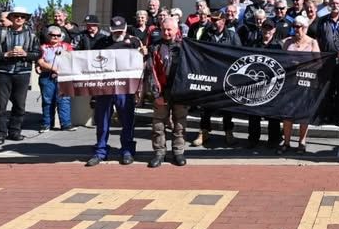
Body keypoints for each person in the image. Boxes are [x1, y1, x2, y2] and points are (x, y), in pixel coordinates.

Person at [86, 17, 143, 166]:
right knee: (102, 120)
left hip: (125, 88)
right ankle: (100, 151)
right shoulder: (102, 42)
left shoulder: (135, 42)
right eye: (115, 31)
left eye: (121, 31)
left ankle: (127, 150)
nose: (118, 33)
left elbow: (142, 62)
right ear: (110, 29)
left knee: (127, 120)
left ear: (125, 29)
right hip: (105, 87)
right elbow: (92, 61)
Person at [0, 6, 41, 146]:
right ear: (11, 18)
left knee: (19, 105)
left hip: (22, 72)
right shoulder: (0, 33)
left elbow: (38, 53)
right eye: (16, 16)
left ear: (26, 19)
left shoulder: (32, 35)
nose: (19, 18)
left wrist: (26, 54)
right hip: (3, 72)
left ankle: (15, 131)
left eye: (22, 16)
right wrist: (5, 54)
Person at [145, 17, 187, 168]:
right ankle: (159, 152)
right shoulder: (154, 47)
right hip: (161, 91)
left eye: (170, 29)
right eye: (164, 29)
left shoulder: (185, 47)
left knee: (180, 124)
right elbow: (150, 72)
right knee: (158, 125)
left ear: (177, 30)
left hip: (180, 92)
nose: (167, 32)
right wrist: (156, 95)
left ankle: (178, 152)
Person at [196, 10, 241, 146]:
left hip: (226, 76)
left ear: (223, 21)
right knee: (206, 106)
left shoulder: (232, 36)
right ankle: (204, 131)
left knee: (227, 107)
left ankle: (228, 131)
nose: (214, 22)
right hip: (210, 75)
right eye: (213, 20)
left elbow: (239, 55)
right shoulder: (206, 34)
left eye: (216, 20)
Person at [278, 15, 321, 154]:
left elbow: (319, 63)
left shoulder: (313, 43)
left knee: (304, 113)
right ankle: (286, 141)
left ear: (305, 28)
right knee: (287, 113)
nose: (295, 29)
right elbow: (281, 61)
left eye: (298, 27)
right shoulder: (287, 43)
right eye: (294, 26)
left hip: (306, 82)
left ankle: (302, 142)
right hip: (290, 83)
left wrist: (304, 66)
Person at [246, 20, 283, 150]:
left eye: (270, 28)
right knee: (253, 113)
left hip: (272, 84)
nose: (267, 31)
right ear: (261, 29)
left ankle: (274, 139)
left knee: (273, 113)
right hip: (255, 82)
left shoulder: (279, 46)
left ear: (274, 30)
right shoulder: (253, 44)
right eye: (265, 28)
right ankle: (253, 139)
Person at [36, 25, 74, 133]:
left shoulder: (66, 46)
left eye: (58, 35)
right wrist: (53, 68)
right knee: (48, 101)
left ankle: (66, 124)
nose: (55, 37)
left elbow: (72, 58)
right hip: (47, 76)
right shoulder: (43, 47)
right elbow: (40, 61)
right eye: (53, 35)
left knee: (64, 100)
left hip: (63, 77)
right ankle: (47, 124)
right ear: (48, 35)